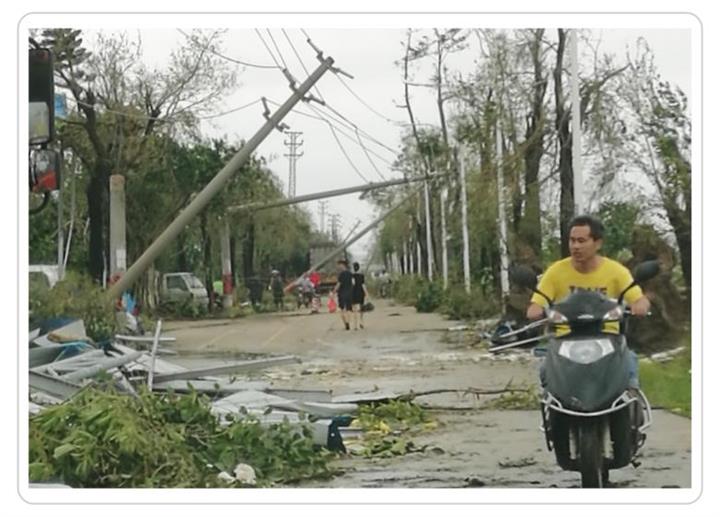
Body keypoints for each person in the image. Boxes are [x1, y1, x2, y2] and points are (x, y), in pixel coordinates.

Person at [526, 215, 651, 391]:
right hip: (565, 341)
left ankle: (631, 405)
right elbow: (537, 302)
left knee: (629, 366)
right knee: (546, 372)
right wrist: (536, 309)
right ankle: (551, 410)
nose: (575, 246)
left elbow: (638, 298)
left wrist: (640, 305)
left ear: (597, 243)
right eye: (572, 240)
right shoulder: (555, 272)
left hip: (608, 340)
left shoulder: (616, 271)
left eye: (582, 241)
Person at [332, 259, 354, 330]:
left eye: (339, 265)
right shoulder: (350, 274)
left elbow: (338, 284)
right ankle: (348, 322)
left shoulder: (341, 274)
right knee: (349, 309)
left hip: (342, 294)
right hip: (350, 293)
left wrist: (333, 292)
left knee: (341, 309)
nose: (338, 267)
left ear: (342, 265)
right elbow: (353, 283)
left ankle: (345, 323)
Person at [351, 262, 371, 330]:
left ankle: (355, 325)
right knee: (361, 308)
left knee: (354, 310)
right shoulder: (361, 276)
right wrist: (367, 293)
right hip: (360, 293)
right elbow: (363, 285)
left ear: (353, 268)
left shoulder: (352, 276)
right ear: (359, 268)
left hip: (353, 293)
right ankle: (361, 322)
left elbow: (352, 285)